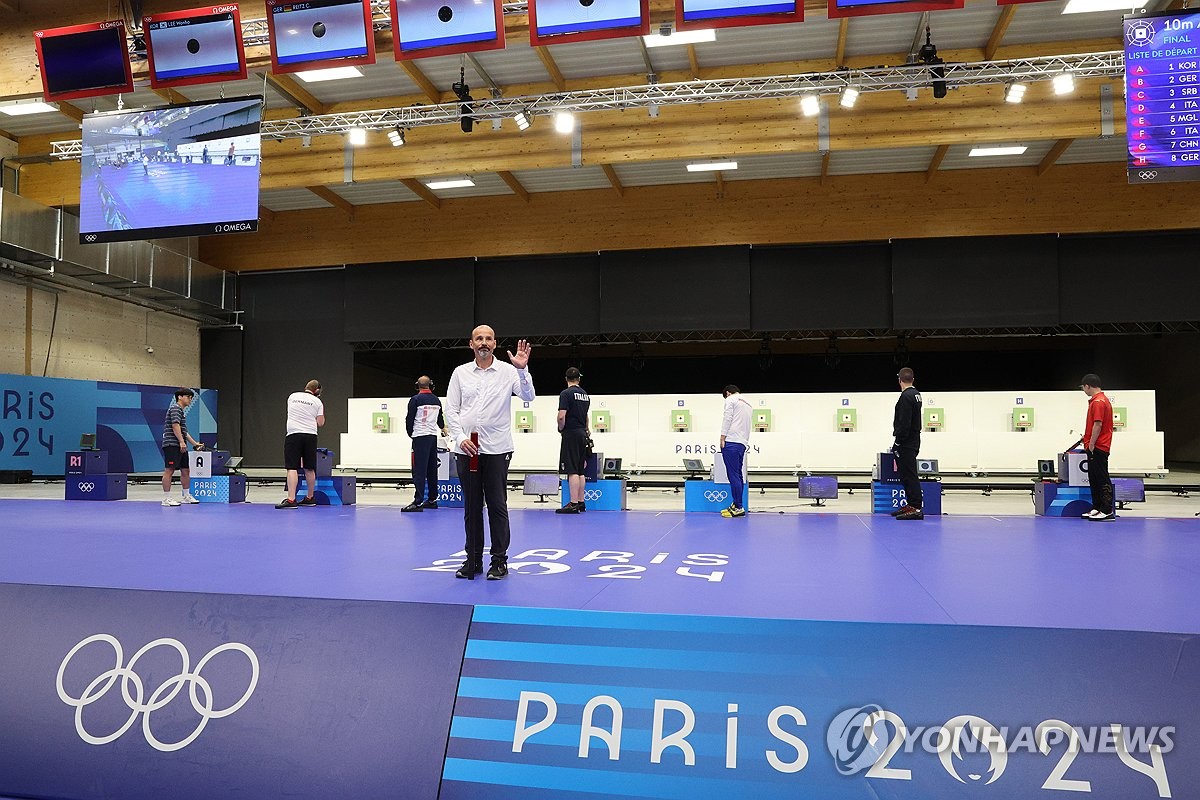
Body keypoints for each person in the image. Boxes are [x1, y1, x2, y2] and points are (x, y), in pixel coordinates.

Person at [445, 325, 534, 580]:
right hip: (466, 450)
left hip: (497, 448)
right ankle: (472, 559)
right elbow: (451, 410)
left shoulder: (508, 371)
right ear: (471, 344)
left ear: (495, 343)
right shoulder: (460, 373)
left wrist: (522, 369)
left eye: (488, 339)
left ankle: (499, 561)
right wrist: (460, 438)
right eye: (479, 339)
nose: (484, 342)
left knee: (496, 505)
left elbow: (529, 396)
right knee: (471, 507)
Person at [276, 380, 325, 509]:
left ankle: (291, 500)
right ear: (317, 391)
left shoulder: (292, 396)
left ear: (306, 387)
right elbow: (320, 423)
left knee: (292, 467)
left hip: (294, 434)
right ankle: (310, 498)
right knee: (309, 467)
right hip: (310, 435)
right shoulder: (318, 402)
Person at [403, 376, 446, 513]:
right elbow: (440, 419)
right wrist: (442, 428)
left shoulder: (415, 400)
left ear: (417, 386)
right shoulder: (436, 400)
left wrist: (411, 434)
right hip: (432, 437)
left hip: (420, 437)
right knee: (431, 469)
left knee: (419, 470)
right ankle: (432, 499)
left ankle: (418, 501)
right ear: (431, 385)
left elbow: (410, 419)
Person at [1080, 373, 1116, 521]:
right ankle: (1097, 507)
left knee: (1101, 477)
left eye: (1083, 387)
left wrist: (1092, 443)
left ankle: (1107, 510)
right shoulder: (1098, 400)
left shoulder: (1098, 402)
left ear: (1088, 386)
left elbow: (1098, 424)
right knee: (1094, 477)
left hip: (1099, 446)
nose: (1084, 390)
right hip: (1094, 445)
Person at [161, 388, 205, 507]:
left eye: (191, 397)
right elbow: (175, 426)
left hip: (180, 445)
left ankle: (186, 496)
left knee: (185, 470)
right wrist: (181, 442)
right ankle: (166, 499)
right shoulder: (175, 408)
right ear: (180, 397)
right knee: (169, 470)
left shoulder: (181, 411)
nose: (190, 399)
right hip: (172, 444)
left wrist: (195, 443)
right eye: (188, 397)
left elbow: (183, 431)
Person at [556, 367, 591, 514]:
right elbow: (586, 416)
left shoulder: (566, 394)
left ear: (566, 379)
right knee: (580, 470)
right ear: (579, 379)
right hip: (582, 433)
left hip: (571, 433)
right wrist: (587, 429)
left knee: (571, 470)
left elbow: (561, 416)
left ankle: (573, 503)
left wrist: (560, 428)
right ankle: (581, 502)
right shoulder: (585, 395)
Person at [891, 367, 924, 521]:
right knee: (907, 474)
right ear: (913, 379)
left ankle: (916, 507)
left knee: (909, 475)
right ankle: (912, 504)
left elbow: (904, 423)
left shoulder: (906, 396)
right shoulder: (916, 394)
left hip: (906, 442)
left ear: (899, 380)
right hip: (913, 440)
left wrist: (898, 441)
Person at [719, 384, 752, 518]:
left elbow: (727, 418)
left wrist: (722, 437)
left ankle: (738, 507)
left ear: (727, 393)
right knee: (738, 475)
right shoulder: (748, 404)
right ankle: (737, 504)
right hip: (742, 442)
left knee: (733, 475)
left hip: (731, 441)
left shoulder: (730, 400)